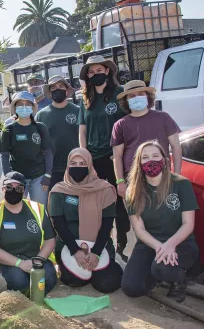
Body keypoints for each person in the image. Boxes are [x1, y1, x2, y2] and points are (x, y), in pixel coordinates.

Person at [121, 141, 199, 303]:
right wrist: (160, 247)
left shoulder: (181, 184)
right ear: (139, 163)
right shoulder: (133, 190)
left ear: (164, 160)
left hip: (181, 242)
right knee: (131, 288)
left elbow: (188, 224)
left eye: (156, 156)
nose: (151, 161)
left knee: (161, 268)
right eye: (145, 157)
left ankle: (179, 279)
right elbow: (139, 229)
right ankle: (155, 273)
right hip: (149, 244)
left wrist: (170, 245)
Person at [49, 148, 123, 293]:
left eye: (82, 163)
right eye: (73, 163)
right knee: (73, 280)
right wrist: (75, 251)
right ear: (68, 166)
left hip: (99, 244)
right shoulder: (59, 190)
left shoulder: (104, 189)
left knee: (107, 284)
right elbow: (58, 224)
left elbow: (107, 224)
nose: (78, 167)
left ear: (89, 165)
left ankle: (113, 263)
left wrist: (95, 252)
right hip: (68, 245)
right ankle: (87, 271)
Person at [77, 55, 128, 260]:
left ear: (107, 71)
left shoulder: (119, 94)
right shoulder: (85, 98)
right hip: (94, 160)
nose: (95, 75)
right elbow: (82, 131)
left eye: (99, 70)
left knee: (119, 201)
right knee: (98, 202)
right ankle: (102, 242)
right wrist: (85, 157)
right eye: (91, 72)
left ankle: (122, 241)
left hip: (115, 157)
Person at [0, 171, 57, 294]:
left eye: (18, 188)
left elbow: (50, 239)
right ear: (3, 189)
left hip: (36, 257)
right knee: (19, 283)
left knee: (48, 279)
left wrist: (38, 260)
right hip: (10, 261)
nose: (13, 190)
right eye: (9, 187)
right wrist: (20, 264)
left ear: (24, 191)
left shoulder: (38, 209)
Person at [112, 80, 182, 200]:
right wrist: (120, 181)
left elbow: (176, 147)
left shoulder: (163, 117)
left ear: (147, 96)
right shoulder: (120, 125)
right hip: (134, 180)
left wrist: (176, 175)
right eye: (132, 96)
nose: (137, 97)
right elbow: (117, 156)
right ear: (126, 101)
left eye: (141, 94)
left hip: (162, 176)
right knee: (137, 215)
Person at [0, 91, 54, 208]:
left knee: (39, 210)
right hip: (17, 179)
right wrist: (9, 178)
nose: (24, 107)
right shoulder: (8, 129)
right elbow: (4, 155)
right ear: (14, 107)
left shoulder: (40, 127)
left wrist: (48, 176)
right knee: (17, 209)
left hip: (39, 177)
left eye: (27, 104)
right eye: (20, 104)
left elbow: (48, 153)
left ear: (33, 107)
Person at [35, 75, 80, 191]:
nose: (57, 89)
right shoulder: (41, 115)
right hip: (51, 170)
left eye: (61, 86)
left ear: (66, 90)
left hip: (75, 167)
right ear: (49, 92)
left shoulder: (78, 111)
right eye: (53, 87)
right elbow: (37, 143)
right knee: (54, 206)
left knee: (75, 204)